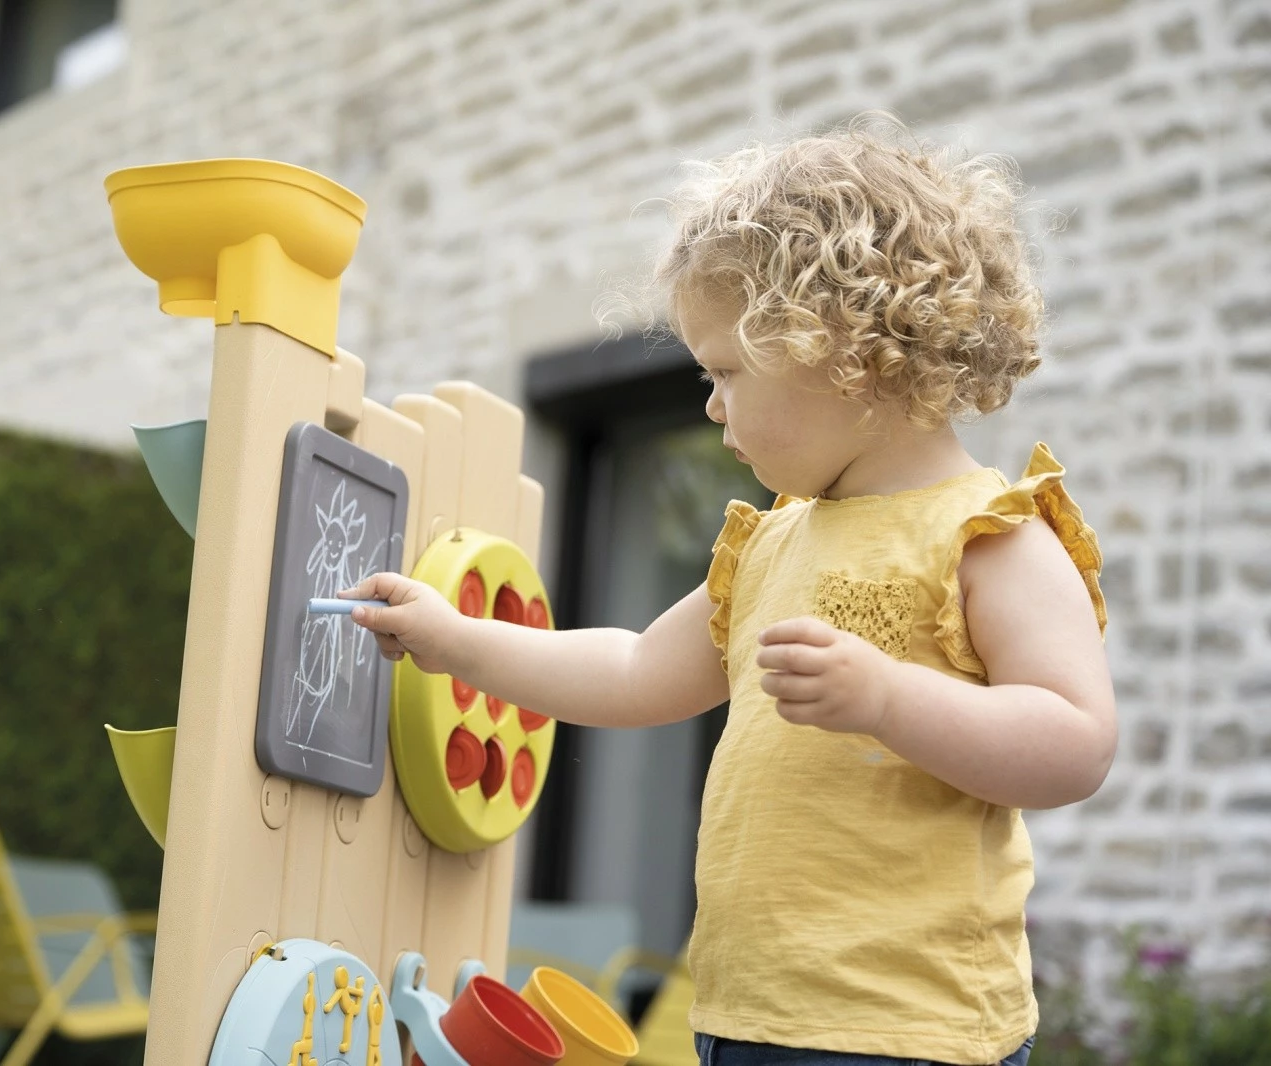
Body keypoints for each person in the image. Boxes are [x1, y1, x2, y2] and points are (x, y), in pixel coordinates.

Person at [342, 117, 1114, 1066]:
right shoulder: (769, 548)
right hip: (746, 1018)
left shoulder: (988, 535)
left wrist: (888, 697)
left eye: (726, 372)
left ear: (845, 352)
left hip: (911, 1033)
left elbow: (1075, 744)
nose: (709, 406)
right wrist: (456, 640)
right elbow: (629, 670)